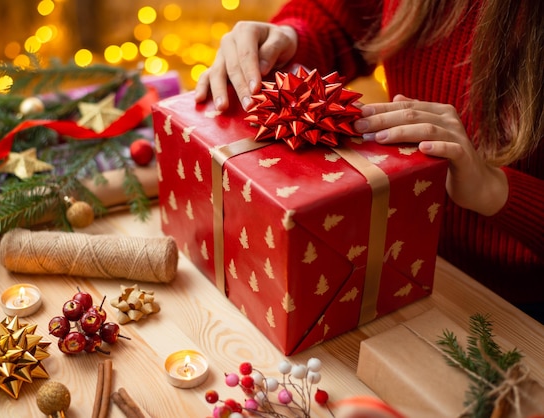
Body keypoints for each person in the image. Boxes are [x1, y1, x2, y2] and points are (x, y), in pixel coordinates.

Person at [194, 0, 544, 321]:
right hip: (397, 254)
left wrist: (495, 189)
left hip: (519, 308)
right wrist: (289, 38)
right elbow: (343, 18)